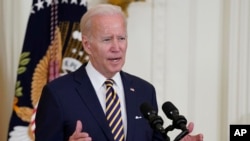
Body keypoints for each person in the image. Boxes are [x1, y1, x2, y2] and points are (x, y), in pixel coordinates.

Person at [35, 4, 203, 141]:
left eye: (121, 38)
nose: (117, 48)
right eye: (107, 39)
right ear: (87, 45)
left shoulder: (144, 91)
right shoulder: (58, 94)